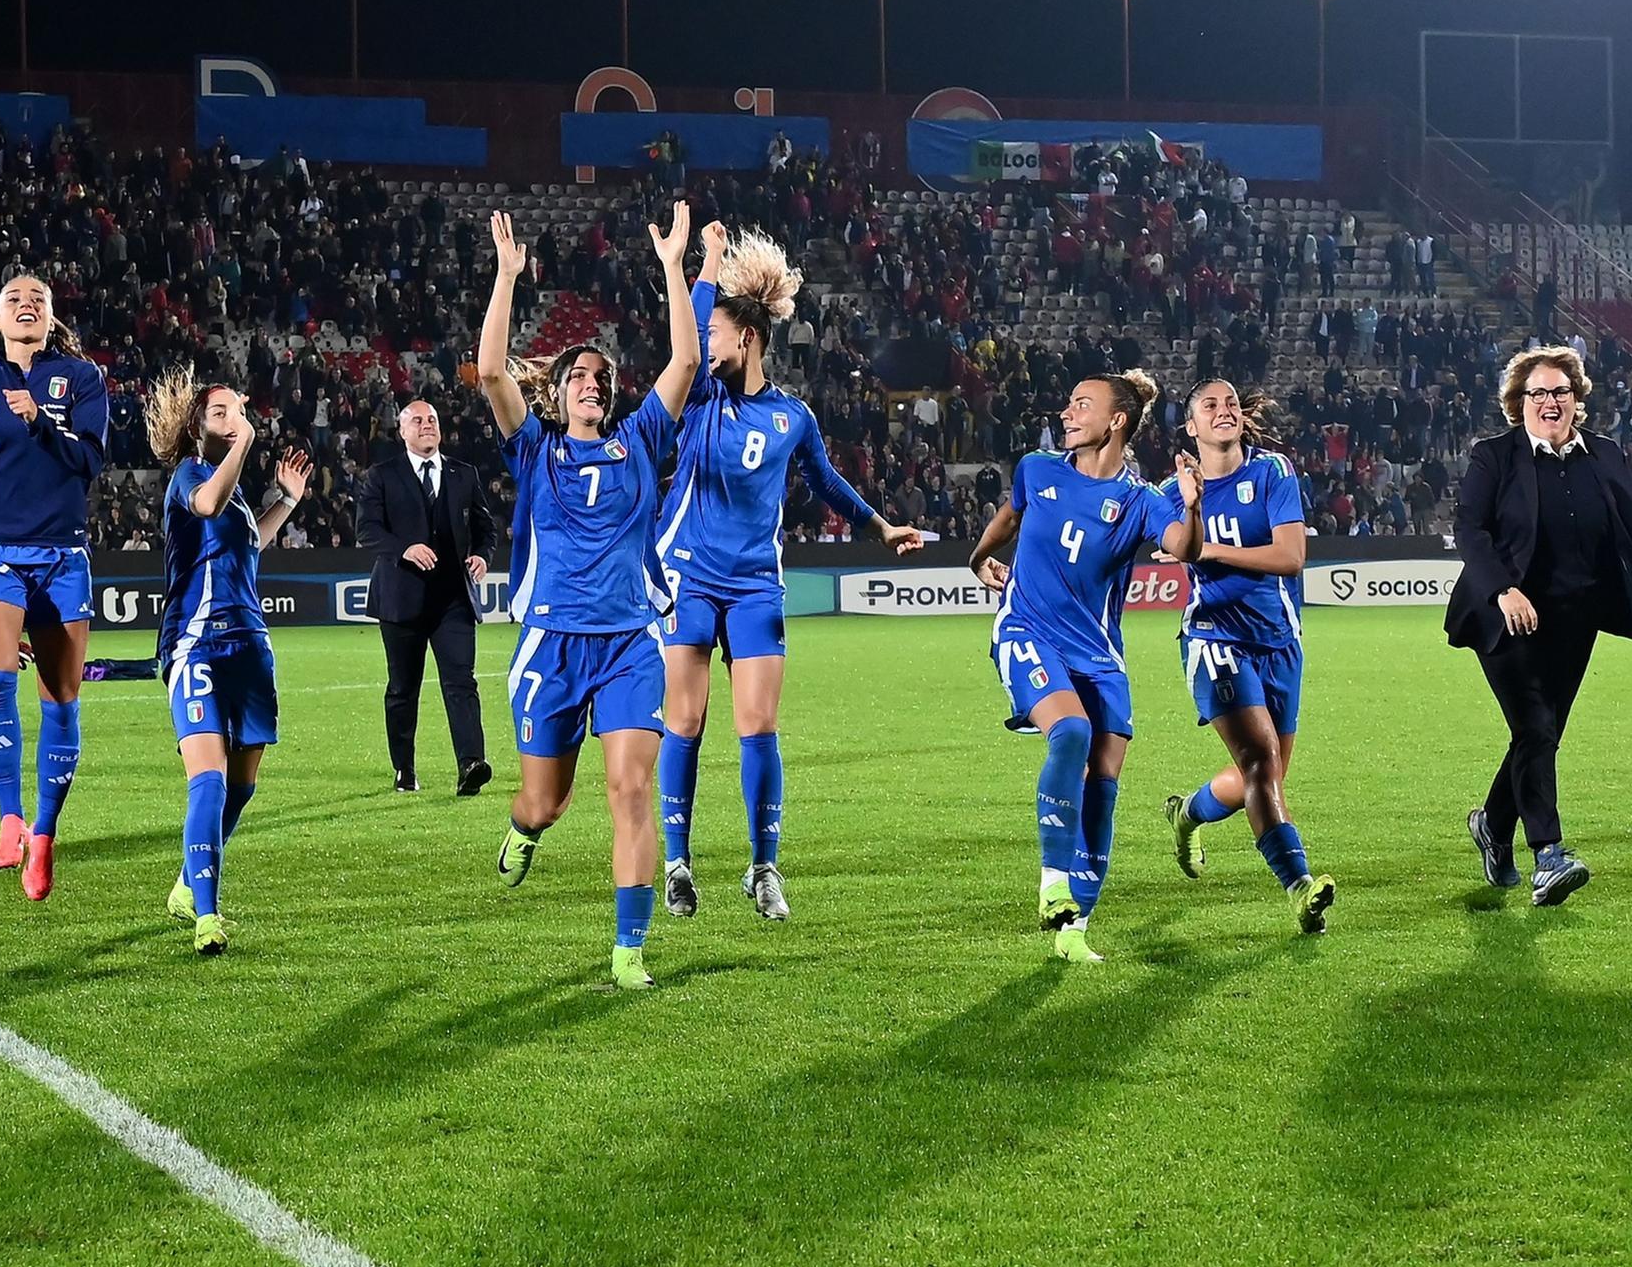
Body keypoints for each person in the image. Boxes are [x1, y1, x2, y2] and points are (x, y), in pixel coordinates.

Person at [654, 225, 938, 922]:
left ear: (748, 338)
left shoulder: (792, 417)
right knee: (684, 721)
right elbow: (685, 341)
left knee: (758, 725)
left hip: (755, 583)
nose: (708, 345)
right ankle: (678, 862)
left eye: (719, 334)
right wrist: (708, 264)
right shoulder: (696, 397)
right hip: (688, 577)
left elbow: (829, 479)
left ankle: (763, 867)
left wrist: (877, 525)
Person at [474, 201, 702, 990]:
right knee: (547, 801)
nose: (591, 385)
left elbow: (684, 364)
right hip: (550, 645)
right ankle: (523, 829)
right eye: (578, 377)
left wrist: (673, 267)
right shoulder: (533, 448)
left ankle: (629, 950)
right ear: (561, 394)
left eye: (601, 378)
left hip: (632, 645)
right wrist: (507, 278)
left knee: (631, 789)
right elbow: (492, 370)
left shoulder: (641, 438)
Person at [1446, 345, 1632, 904]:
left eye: (1560, 391)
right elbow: (1471, 530)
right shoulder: (1495, 456)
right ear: (1519, 402)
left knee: (1538, 736)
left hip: (1574, 619)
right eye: (1537, 393)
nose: (1549, 402)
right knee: (1536, 729)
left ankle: (1493, 823)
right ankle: (1549, 855)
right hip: (1504, 618)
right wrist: (1503, 589)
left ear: (1576, 399)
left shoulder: (1605, 456)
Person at [968, 370, 1170, 963]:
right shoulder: (1037, 467)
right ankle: (1052, 883)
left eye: (1082, 404)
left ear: (1117, 421)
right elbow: (1010, 516)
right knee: (1072, 732)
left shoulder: (1141, 501)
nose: (1067, 411)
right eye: (1069, 402)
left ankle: (1074, 931)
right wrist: (978, 556)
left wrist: (1194, 502)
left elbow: (1181, 546)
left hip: (1100, 655)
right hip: (1026, 629)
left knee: (1103, 788)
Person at [0, 274, 110, 900]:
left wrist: (43, 421)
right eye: (14, 299)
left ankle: (45, 832)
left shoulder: (82, 380)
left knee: (61, 701)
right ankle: (10, 819)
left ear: (49, 317)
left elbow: (91, 461)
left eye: (36, 300)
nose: (25, 305)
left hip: (63, 555)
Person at [1154, 379, 1335, 935]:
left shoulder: (1272, 472)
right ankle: (1300, 887)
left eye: (1230, 403)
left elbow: (1291, 556)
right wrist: (1193, 508)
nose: (1223, 411)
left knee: (1268, 774)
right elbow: (1175, 546)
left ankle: (1187, 814)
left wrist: (1209, 549)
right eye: (1209, 406)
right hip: (1214, 637)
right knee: (1260, 763)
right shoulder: (1172, 491)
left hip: (1279, 639)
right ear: (1191, 427)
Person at [146, 372, 313, 954]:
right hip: (198, 645)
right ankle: (208, 918)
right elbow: (208, 502)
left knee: (242, 786)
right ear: (197, 427)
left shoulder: (238, 494)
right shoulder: (189, 477)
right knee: (209, 782)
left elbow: (249, 539)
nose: (230, 416)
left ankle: (187, 882)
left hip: (249, 645)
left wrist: (285, 502)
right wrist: (243, 440)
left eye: (234, 410)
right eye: (218, 412)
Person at [356, 398, 493, 796]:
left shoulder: (463, 473)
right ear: (402, 431)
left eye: (431, 419)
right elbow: (367, 530)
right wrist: (404, 548)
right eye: (417, 420)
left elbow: (487, 528)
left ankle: (471, 763)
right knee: (403, 688)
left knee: (461, 682)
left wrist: (483, 555)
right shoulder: (382, 475)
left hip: (453, 600)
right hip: (401, 600)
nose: (426, 424)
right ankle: (404, 768)